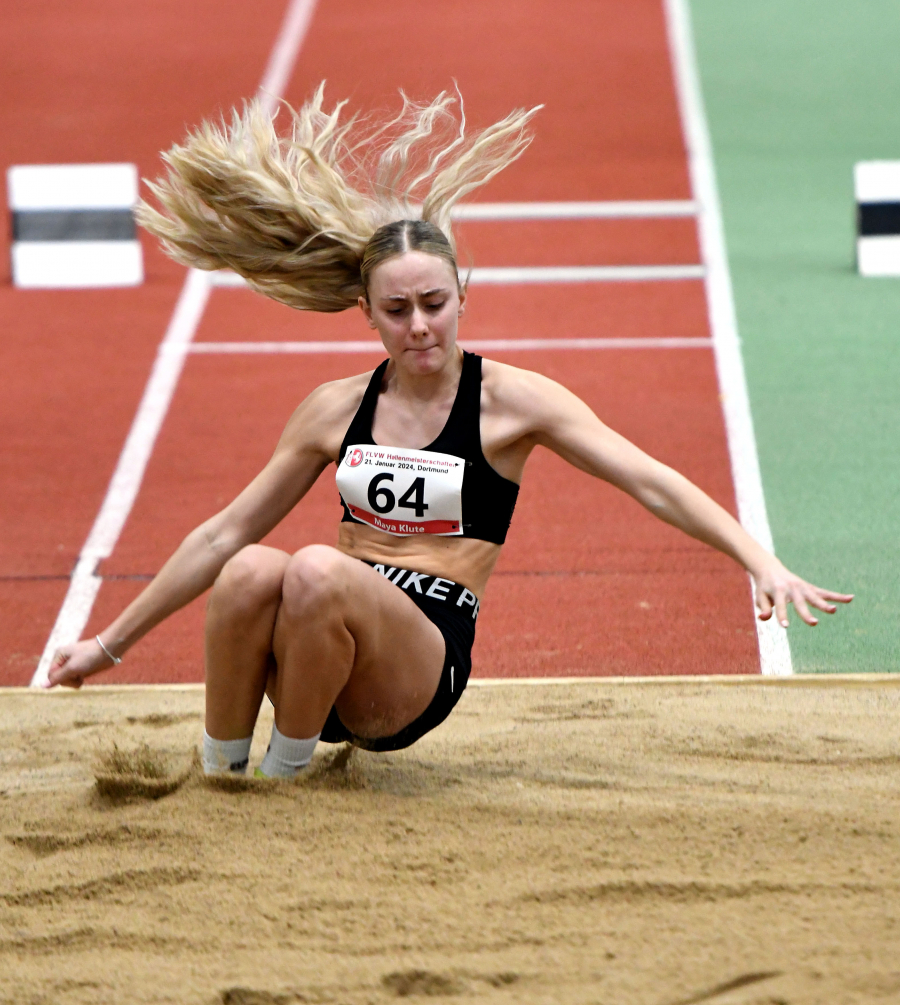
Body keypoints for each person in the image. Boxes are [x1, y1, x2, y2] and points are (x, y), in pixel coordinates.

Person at [47, 86, 852, 777]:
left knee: (318, 568)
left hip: (414, 668)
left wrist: (761, 560)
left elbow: (648, 478)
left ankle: (286, 780)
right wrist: (107, 646)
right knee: (255, 566)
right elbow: (223, 531)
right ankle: (219, 772)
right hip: (314, 647)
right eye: (397, 311)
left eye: (434, 303)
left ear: (463, 293)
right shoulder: (334, 408)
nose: (420, 326)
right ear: (367, 315)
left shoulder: (511, 402)